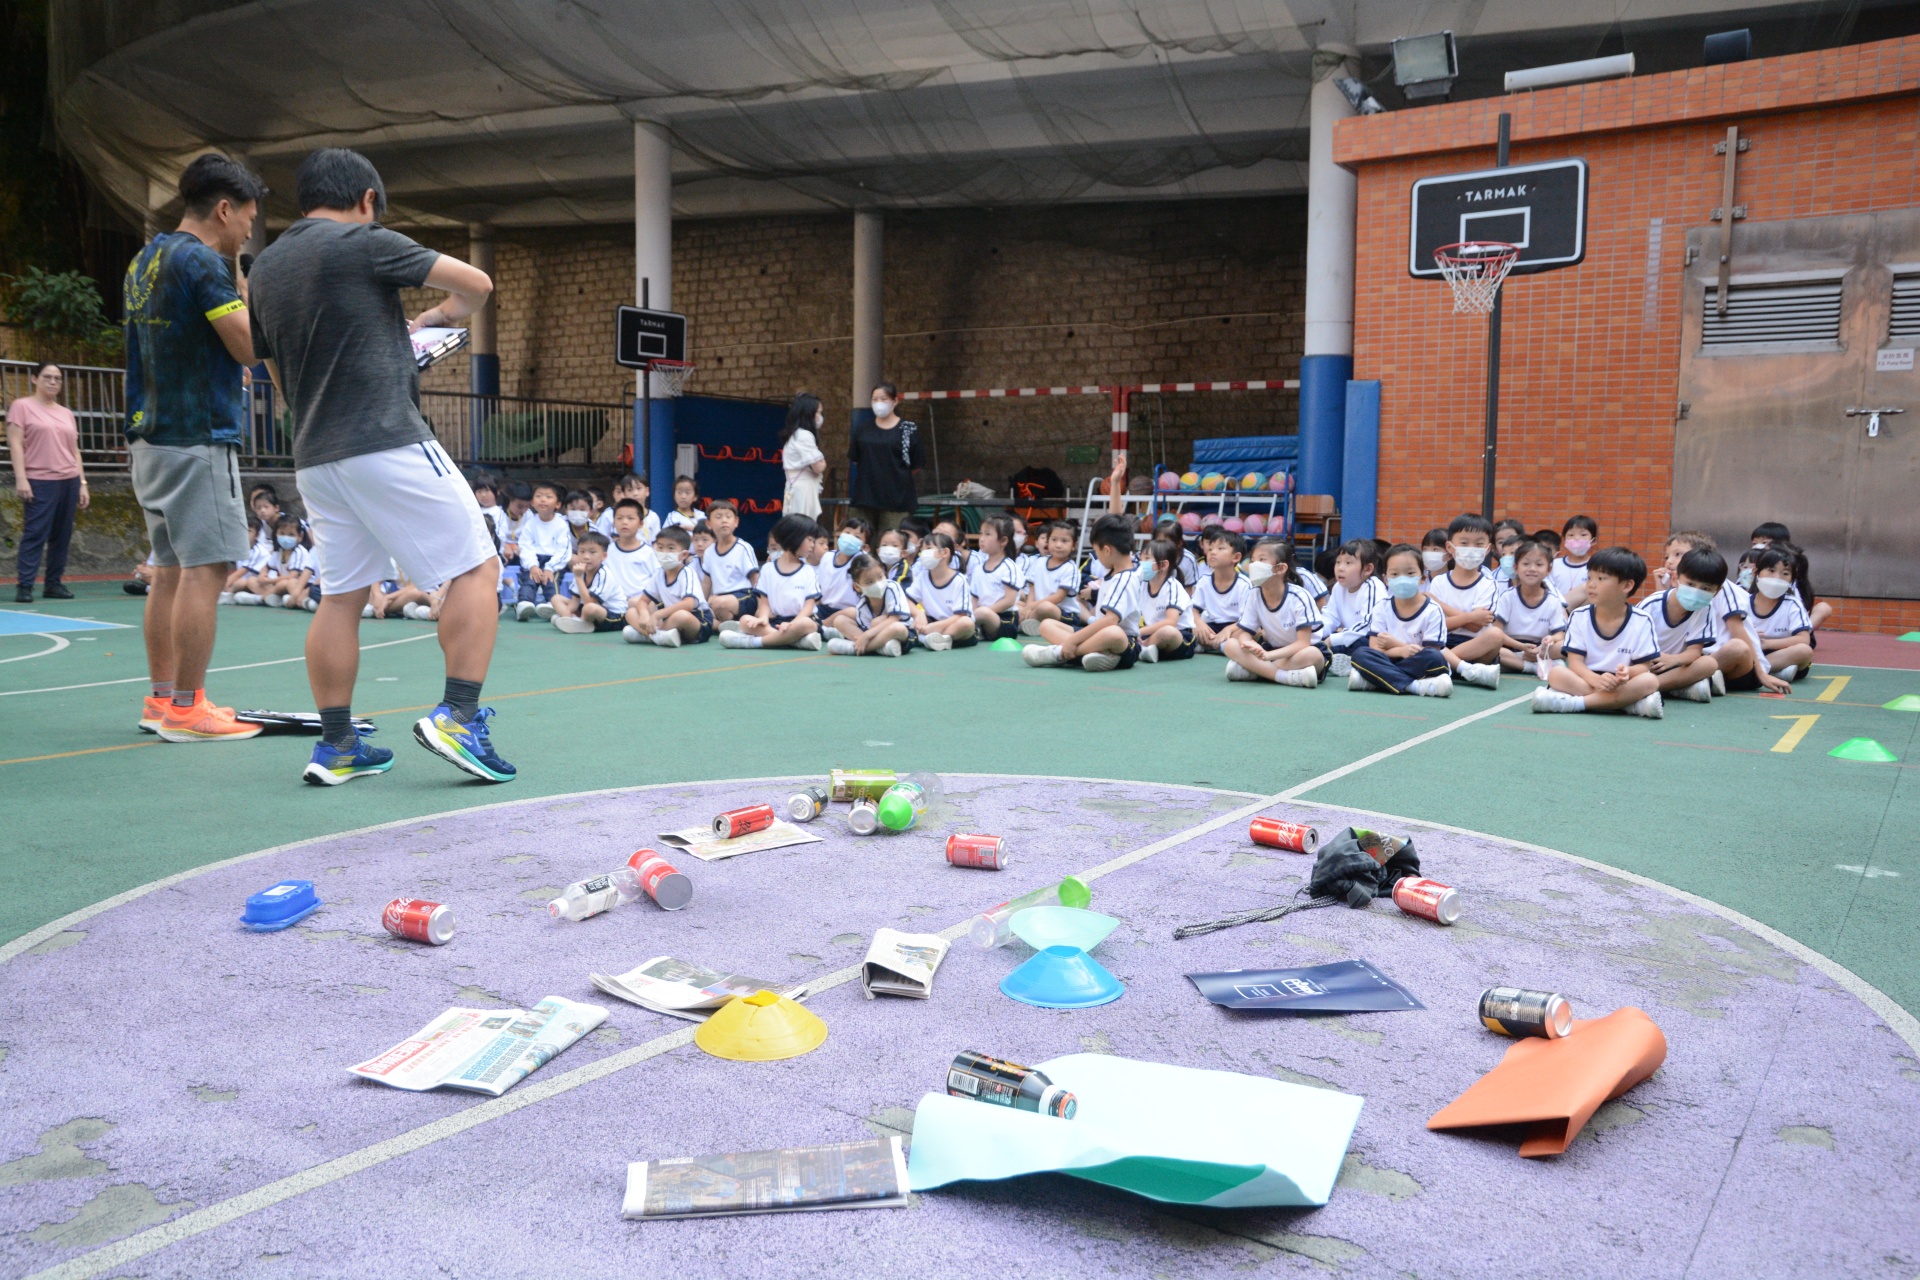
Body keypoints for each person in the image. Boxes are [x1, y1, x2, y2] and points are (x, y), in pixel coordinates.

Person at [247, 147, 507, 785]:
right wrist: (440, 316)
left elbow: (274, 369)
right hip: (385, 437)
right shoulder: (364, 241)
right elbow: (477, 285)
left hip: (316, 455)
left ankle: (337, 745)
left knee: (341, 596)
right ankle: (458, 717)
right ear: (367, 200)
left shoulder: (266, 268)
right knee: (478, 565)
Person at [124, 153, 268, 742]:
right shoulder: (204, 262)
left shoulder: (145, 259)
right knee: (206, 569)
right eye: (248, 219)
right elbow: (248, 348)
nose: (248, 232)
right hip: (196, 436)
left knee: (168, 570)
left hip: (149, 436)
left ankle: (162, 699)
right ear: (224, 209)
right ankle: (188, 707)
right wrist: (250, 293)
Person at [1531, 547, 1664, 717]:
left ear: (1627, 585)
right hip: (1586, 679)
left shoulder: (1642, 620)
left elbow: (1644, 667)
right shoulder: (1579, 616)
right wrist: (1596, 680)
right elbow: (1575, 663)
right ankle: (1627, 705)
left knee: (1650, 680)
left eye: (1601, 578)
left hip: (1622, 684)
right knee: (1557, 673)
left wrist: (1627, 673)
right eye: (1589, 577)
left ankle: (1575, 703)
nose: (1591, 584)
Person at [8, 362, 88, 602]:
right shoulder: (21, 406)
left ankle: (53, 583)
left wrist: (82, 483)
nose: (53, 382)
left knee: (62, 536)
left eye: (57, 378)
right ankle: (25, 585)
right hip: (39, 480)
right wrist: (21, 479)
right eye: (47, 377)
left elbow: (74, 450)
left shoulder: (66, 413)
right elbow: (15, 444)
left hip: (69, 480)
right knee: (35, 533)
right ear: (35, 379)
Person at [1022, 514, 1143, 672]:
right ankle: (1099, 654)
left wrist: (1072, 640)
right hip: (1099, 634)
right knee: (1046, 625)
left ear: (1107, 550)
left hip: (1125, 643)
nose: (1098, 558)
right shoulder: (1115, 570)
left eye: (1097, 552)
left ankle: (1059, 653)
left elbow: (1111, 620)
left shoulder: (1125, 578)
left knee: (1114, 633)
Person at [1349, 544, 1453, 697]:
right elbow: (1375, 648)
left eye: (1410, 573)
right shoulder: (1381, 607)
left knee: (1434, 658)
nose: (1402, 579)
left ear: (1422, 578)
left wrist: (1396, 645)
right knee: (1360, 654)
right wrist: (1400, 651)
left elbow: (1431, 651)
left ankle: (1377, 680)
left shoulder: (1433, 610)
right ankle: (1414, 686)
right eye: (1395, 574)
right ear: (1386, 579)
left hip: (1418, 663)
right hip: (1389, 661)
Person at [1222, 537, 1325, 687]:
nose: (1254, 565)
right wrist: (1249, 645)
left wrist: (1267, 656)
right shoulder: (1254, 594)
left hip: (1298, 652)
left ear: (1280, 568)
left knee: (1313, 655)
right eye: (1252, 560)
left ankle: (1255, 671)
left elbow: (1303, 643)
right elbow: (1245, 632)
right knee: (1231, 644)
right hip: (1270, 650)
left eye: (1262, 560)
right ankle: (1283, 676)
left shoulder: (1299, 597)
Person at [1425, 513, 1506, 690]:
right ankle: (1460, 669)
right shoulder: (1439, 582)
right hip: (1444, 643)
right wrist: (1471, 616)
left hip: (1475, 647)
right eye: (1464, 543)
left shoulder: (1488, 583)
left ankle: (1440, 665)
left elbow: (1476, 627)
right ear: (1450, 547)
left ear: (1487, 549)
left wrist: (1441, 605)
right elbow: (1437, 626)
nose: (1471, 549)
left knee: (1495, 635)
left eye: (1478, 544)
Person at [723, 514, 823, 651]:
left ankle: (754, 642)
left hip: (802, 619)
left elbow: (809, 606)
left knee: (805, 624)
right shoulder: (768, 569)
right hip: (776, 621)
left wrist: (792, 624)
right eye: (810, 540)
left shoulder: (808, 571)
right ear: (794, 538)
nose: (813, 545)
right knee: (745, 620)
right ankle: (794, 641)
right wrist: (763, 618)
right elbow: (764, 602)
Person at [1638, 546, 1725, 703]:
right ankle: (1677, 688)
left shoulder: (1705, 609)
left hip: (1674, 667)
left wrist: (1674, 659)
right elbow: (1631, 644)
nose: (1696, 592)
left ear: (1717, 591)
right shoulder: (1651, 605)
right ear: (1675, 579)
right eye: (1690, 584)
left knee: (1709, 663)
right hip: (1644, 664)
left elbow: (1694, 652)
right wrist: (1649, 659)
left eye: (1705, 588)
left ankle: (1648, 688)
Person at [847, 381, 924, 533]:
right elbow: (855, 459)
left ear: (895, 401)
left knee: (892, 541)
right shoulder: (863, 429)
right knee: (859, 540)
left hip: (896, 500)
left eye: (883, 399)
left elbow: (916, 465)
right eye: (875, 399)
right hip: (865, 497)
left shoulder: (908, 429)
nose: (879, 403)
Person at [1492, 540, 1568, 674]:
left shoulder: (1553, 601)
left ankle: (1523, 664)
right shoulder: (1507, 597)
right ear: (1516, 568)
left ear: (1549, 570)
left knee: (1564, 646)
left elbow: (1559, 634)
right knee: (1493, 646)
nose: (1532, 569)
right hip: (1511, 648)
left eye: (1539, 564)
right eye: (1526, 564)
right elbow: (1497, 631)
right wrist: (1521, 646)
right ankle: (1531, 667)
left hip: (1540, 649)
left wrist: (1550, 640)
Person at [630, 526, 712, 647]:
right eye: (660, 547)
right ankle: (658, 635)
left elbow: (688, 604)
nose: (665, 552)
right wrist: (643, 614)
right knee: (631, 612)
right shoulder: (659, 573)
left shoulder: (687, 573)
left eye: (671, 548)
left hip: (696, 622)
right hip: (668, 620)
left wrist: (657, 614)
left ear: (684, 554)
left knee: (681, 616)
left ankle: (649, 635)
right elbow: (643, 601)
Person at [1747, 544, 1817, 681]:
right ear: (1755, 572)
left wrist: (1766, 644)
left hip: (1782, 652)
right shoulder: (1743, 602)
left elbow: (1804, 639)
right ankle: (1776, 671)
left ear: (1792, 579)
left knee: (1804, 651)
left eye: (1785, 573)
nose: (1777, 578)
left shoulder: (1793, 604)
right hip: (1752, 652)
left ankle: (1756, 672)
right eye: (1771, 570)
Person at [1319, 538, 1384, 677]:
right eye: (1338, 562)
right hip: (1347, 637)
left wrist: (1331, 641)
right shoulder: (1338, 587)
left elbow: (1368, 625)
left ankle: (1345, 662)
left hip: (1370, 639)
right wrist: (1316, 634)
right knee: (1316, 642)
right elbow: (1330, 617)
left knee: (1362, 645)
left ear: (1368, 569)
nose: (1340, 568)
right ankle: (1334, 659)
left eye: (1348, 563)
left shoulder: (1373, 586)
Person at [829, 554, 914, 656]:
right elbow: (866, 630)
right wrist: (866, 635)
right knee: (839, 620)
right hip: (878, 636)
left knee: (897, 627)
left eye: (880, 577)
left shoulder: (892, 587)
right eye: (869, 582)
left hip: (903, 633)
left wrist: (867, 635)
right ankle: (879, 647)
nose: (877, 584)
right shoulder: (862, 606)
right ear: (857, 587)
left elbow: (894, 619)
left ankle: (856, 648)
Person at [907, 531, 975, 651]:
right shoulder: (923, 576)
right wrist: (919, 614)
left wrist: (935, 627)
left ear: (945, 552)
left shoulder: (959, 580)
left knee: (966, 623)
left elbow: (961, 615)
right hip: (930, 622)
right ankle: (934, 639)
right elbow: (907, 600)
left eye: (928, 548)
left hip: (952, 624)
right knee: (903, 620)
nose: (923, 553)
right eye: (922, 550)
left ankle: (931, 638)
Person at [1016, 521, 1083, 634]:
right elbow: (1032, 589)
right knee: (1016, 605)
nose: (1058, 545)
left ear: (1073, 546)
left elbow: (1058, 597)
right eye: (1054, 540)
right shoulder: (1039, 562)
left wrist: (1032, 606)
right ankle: (1031, 623)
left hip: (1063, 613)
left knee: (1046, 607)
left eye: (1064, 541)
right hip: (1037, 606)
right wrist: (1028, 606)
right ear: (1048, 541)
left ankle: (1023, 623)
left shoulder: (1070, 568)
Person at [550, 532, 624, 634]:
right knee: (556, 598)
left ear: (604, 556)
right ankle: (572, 620)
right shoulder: (581, 571)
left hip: (613, 616)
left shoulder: (604, 574)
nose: (586, 557)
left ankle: (580, 623)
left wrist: (578, 578)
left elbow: (590, 603)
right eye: (582, 551)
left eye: (592, 552)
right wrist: (566, 615)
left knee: (589, 608)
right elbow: (575, 600)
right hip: (588, 609)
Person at [1190, 527, 1249, 653]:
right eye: (1210, 549)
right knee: (1189, 626)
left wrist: (1228, 630)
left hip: (1235, 626)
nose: (1213, 552)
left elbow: (1247, 619)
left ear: (1236, 557)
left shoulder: (1243, 584)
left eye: (1220, 548)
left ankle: (1213, 645)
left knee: (1251, 632)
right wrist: (1199, 623)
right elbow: (1193, 610)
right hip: (1211, 626)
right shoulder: (1204, 581)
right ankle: (1221, 645)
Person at [1137, 537, 1197, 661]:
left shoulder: (1172, 586)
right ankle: (1147, 648)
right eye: (1141, 559)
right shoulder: (1142, 584)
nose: (1142, 564)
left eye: (1147, 559)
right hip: (1151, 634)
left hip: (1180, 637)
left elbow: (1171, 622)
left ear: (1163, 565)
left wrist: (1140, 632)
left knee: (1168, 632)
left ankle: (1141, 648)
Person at [968, 515, 1023, 640]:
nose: (982, 539)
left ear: (1003, 541)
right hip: (981, 616)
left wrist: (984, 612)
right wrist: (974, 613)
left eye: (987, 534)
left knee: (980, 613)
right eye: (981, 533)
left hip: (1005, 620)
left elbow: (1009, 600)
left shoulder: (1009, 567)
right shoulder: (978, 569)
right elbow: (974, 599)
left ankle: (972, 631)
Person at [780, 392, 828, 520]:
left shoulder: (795, 434)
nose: (820, 417)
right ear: (809, 414)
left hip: (795, 486)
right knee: (804, 524)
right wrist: (822, 462)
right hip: (803, 489)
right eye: (818, 413)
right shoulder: (804, 435)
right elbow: (819, 466)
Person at [1547, 515, 1597, 607]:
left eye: (1583, 535)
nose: (1576, 538)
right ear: (1564, 540)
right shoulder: (1553, 565)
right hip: (1556, 611)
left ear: (1593, 541)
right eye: (1571, 535)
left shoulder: (1597, 566)